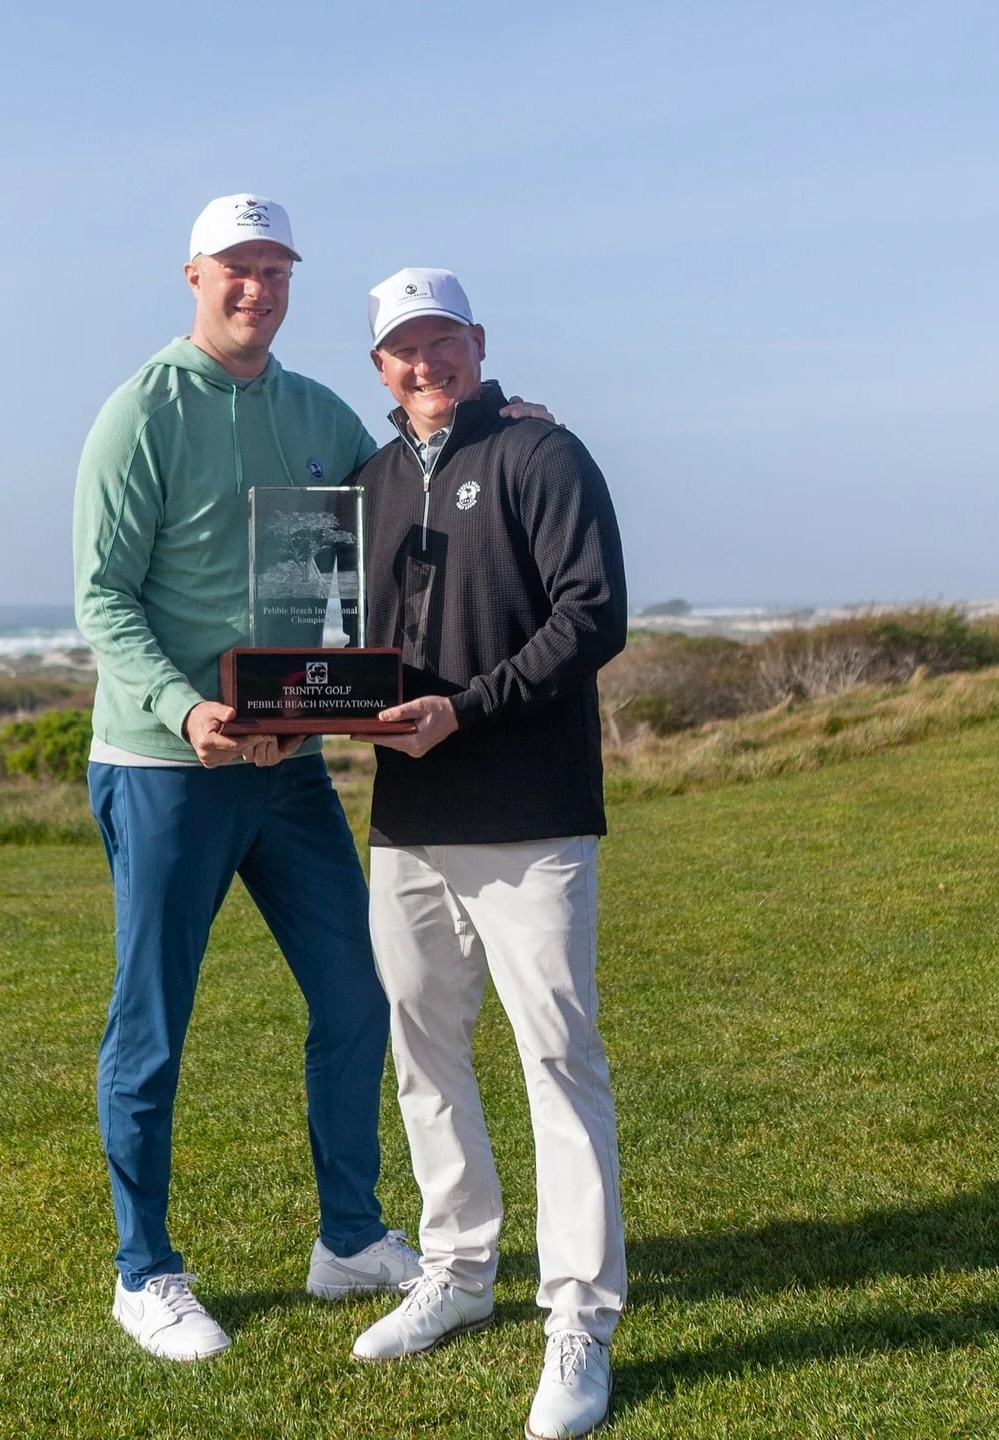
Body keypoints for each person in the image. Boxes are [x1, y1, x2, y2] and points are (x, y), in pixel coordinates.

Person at [72, 199, 549, 1363]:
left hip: (288, 771)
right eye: (238, 268)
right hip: (165, 764)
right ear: (195, 274)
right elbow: (103, 598)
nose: (258, 287)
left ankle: (348, 1239)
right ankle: (146, 1272)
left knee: (355, 999)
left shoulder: (317, 414)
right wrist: (189, 711)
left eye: (275, 268)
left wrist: (500, 420)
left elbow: (412, 477)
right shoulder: (143, 410)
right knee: (154, 1025)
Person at [348, 268, 628, 1440]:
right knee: (423, 1053)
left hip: (531, 817)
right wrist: (293, 714)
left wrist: (470, 706)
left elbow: (593, 613)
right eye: (404, 348)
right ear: (380, 365)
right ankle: (459, 1274)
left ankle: (580, 1318)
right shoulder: (362, 484)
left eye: (443, 341)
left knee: (557, 1059)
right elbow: (346, 645)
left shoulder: (540, 454)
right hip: (408, 824)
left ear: (477, 341)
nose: (427, 364)